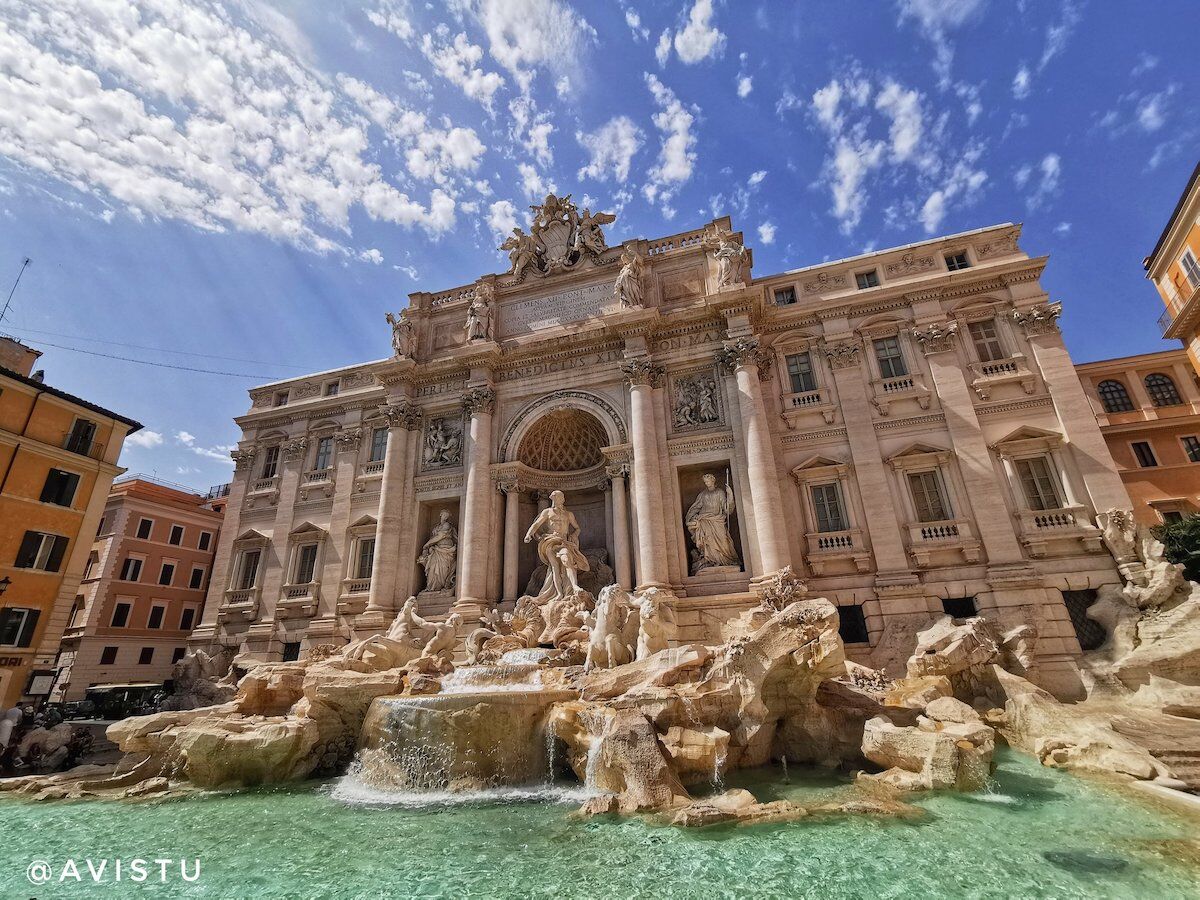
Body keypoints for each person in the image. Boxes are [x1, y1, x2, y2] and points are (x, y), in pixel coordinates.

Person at [523, 490, 590, 602]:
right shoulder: (547, 512)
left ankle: (574, 586)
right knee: (555, 568)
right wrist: (528, 534)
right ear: (553, 498)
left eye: (561, 497)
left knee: (567, 559)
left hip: (563, 542)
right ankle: (559, 594)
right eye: (558, 497)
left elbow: (577, 528)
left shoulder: (568, 514)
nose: (561, 499)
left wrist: (574, 534)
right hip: (550, 541)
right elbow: (536, 525)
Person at [685, 473, 739, 573]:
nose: (706, 483)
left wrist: (730, 494)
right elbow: (695, 507)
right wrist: (690, 517)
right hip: (704, 520)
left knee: (723, 540)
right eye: (705, 482)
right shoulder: (702, 495)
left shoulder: (720, 492)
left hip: (717, 520)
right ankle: (710, 561)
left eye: (708, 481)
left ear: (713, 481)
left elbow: (727, 509)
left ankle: (725, 560)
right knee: (707, 541)